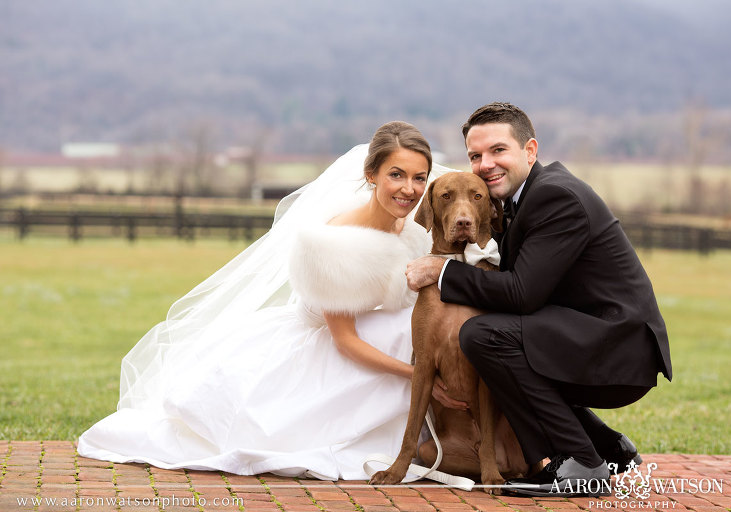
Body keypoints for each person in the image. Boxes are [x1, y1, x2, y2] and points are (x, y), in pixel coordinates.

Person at [77, 121, 464, 480]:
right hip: (327, 349)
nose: (408, 189)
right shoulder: (334, 244)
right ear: (371, 175)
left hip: (377, 337)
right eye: (396, 175)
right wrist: (418, 376)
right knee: (398, 333)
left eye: (418, 178)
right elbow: (345, 341)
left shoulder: (412, 229)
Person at [405, 103, 672, 497]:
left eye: (499, 150)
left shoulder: (555, 197)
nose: (486, 164)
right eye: (475, 156)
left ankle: (583, 462)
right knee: (496, 338)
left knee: (485, 336)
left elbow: (521, 293)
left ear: (530, 150)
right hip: (587, 336)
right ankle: (603, 446)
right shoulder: (520, 199)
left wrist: (441, 272)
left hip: (618, 347)